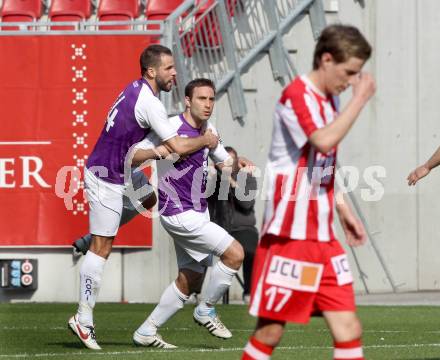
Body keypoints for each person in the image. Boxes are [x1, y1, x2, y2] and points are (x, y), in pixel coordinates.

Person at [68, 45, 218, 350]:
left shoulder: (135, 89)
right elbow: (177, 145)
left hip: (123, 170)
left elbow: (147, 144)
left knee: (151, 200)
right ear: (152, 71)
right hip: (106, 175)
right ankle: (82, 319)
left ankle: (89, 239)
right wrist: (206, 140)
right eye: (169, 68)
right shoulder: (151, 104)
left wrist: (152, 152)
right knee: (102, 248)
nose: (175, 73)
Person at [241, 24, 376, 360]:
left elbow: (322, 163)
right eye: (348, 72)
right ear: (326, 59)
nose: (350, 81)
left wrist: (343, 211)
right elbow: (323, 140)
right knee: (270, 332)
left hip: (323, 237)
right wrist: (359, 100)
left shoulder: (330, 98)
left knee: (349, 329)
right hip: (291, 237)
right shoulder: (296, 95)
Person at [131, 78, 252, 348]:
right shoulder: (171, 126)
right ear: (187, 100)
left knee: (191, 277)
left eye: (211, 99)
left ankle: (146, 331)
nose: (208, 104)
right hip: (177, 212)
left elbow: (224, 162)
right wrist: (160, 152)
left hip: (198, 212)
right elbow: (135, 155)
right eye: (201, 99)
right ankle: (206, 308)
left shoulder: (209, 129)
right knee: (235, 254)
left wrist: (238, 163)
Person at [208, 146, 259, 303]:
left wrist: (230, 181)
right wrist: (213, 176)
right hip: (219, 228)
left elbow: (246, 204)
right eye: (223, 162)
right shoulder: (213, 179)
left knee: (251, 251)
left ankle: (249, 293)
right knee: (198, 251)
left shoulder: (247, 178)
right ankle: (194, 292)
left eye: (231, 161)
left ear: (237, 162)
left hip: (243, 229)